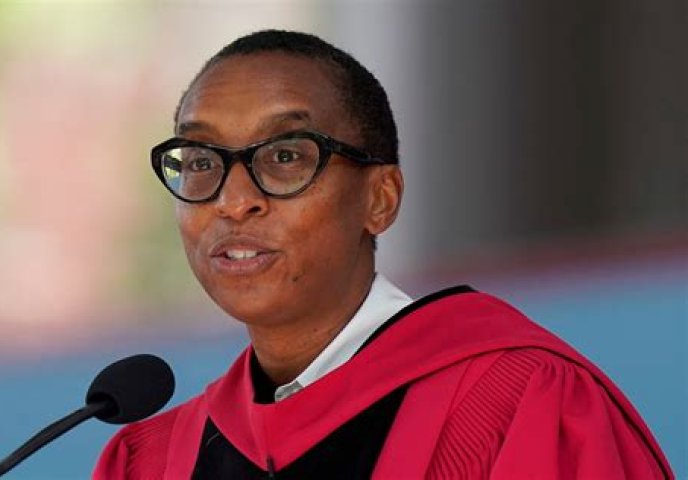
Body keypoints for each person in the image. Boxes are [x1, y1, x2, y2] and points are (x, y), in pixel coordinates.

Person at [94, 30, 673, 479]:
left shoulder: (522, 402)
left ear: (380, 199)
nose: (233, 199)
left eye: (286, 156)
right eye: (201, 161)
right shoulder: (151, 463)